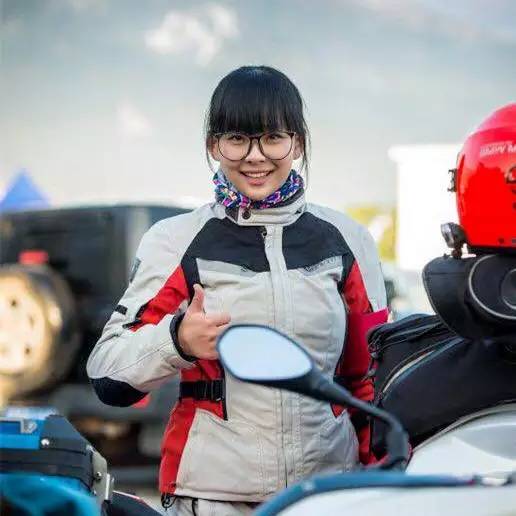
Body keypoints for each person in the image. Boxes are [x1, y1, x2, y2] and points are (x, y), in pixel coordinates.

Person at [87, 65, 388, 515]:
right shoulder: (175, 240)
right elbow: (107, 376)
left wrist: (377, 480)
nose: (255, 156)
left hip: (326, 495)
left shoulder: (349, 240)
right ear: (214, 145)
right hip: (212, 498)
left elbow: (370, 381)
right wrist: (177, 341)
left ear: (297, 143)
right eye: (237, 139)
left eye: (273, 138)